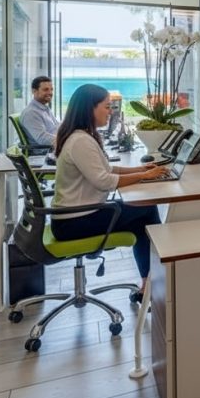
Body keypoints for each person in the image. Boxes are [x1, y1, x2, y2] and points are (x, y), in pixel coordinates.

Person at [51, 84, 168, 293]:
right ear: (90, 109)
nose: (111, 112)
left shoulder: (80, 136)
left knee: (141, 215)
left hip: (74, 216)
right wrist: (144, 176)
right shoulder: (80, 141)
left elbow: (107, 169)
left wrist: (141, 169)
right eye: (106, 107)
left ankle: (149, 283)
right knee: (146, 209)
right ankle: (155, 281)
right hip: (74, 221)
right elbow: (104, 180)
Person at [19, 75, 60, 146]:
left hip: (56, 146)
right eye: (46, 90)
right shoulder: (31, 113)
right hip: (47, 150)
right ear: (34, 91)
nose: (50, 93)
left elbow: (56, 127)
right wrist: (65, 140)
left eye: (51, 89)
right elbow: (42, 139)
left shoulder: (45, 109)